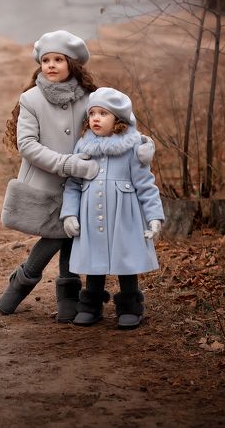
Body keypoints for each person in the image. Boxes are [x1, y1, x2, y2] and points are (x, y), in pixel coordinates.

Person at [0, 30, 154, 322]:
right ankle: (22, 281)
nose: (51, 65)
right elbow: (27, 145)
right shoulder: (31, 99)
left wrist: (143, 145)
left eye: (58, 59)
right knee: (54, 237)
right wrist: (68, 165)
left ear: (72, 64)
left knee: (73, 235)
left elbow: (122, 124)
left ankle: (69, 294)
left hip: (89, 183)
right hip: (46, 180)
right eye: (46, 60)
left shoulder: (91, 98)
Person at [60, 87, 164, 330]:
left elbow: (146, 185)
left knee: (125, 260)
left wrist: (154, 218)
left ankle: (130, 306)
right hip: (91, 217)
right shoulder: (83, 146)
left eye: (103, 113)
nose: (95, 118)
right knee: (94, 261)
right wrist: (69, 214)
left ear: (118, 119)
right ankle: (90, 305)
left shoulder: (132, 147)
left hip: (124, 217)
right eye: (92, 113)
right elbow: (73, 184)